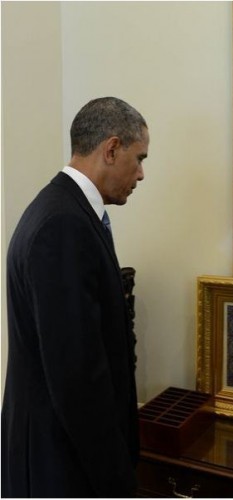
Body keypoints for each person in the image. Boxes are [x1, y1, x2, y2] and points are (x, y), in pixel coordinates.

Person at [1, 97, 149, 497]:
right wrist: (117, 480)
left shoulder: (65, 210)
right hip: (60, 462)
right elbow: (78, 377)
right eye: (139, 158)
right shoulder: (63, 223)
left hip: (63, 452)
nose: (141, 173)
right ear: (112, 148)